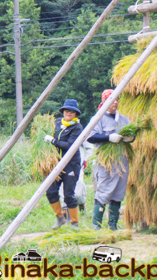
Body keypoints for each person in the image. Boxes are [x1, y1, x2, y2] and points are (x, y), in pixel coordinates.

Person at [86, 90, 131, 230]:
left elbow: (131, 134)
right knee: (104, 191)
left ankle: (113, 226)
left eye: (117, 99)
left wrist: (131, 138)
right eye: (112, 100)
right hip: (106, 162)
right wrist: (108, 137)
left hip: (122, 161)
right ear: (105, 102)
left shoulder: (123, 119)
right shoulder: (98, 119)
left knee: (118, 192)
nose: (115, 102)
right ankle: (97, 226)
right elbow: (90, 137)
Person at [44, 99, 84, 229]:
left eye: (72, 111)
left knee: (68, 195)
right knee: (50, 191)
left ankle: (74, 223)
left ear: (76, 113)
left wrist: (53, 140)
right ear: (63, 111)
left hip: (71, 164)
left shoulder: (77, 127)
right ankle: (60, 218)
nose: (69, 113)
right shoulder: (56, 123)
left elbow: (69, 146)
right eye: (67, 110)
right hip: (56, 163)